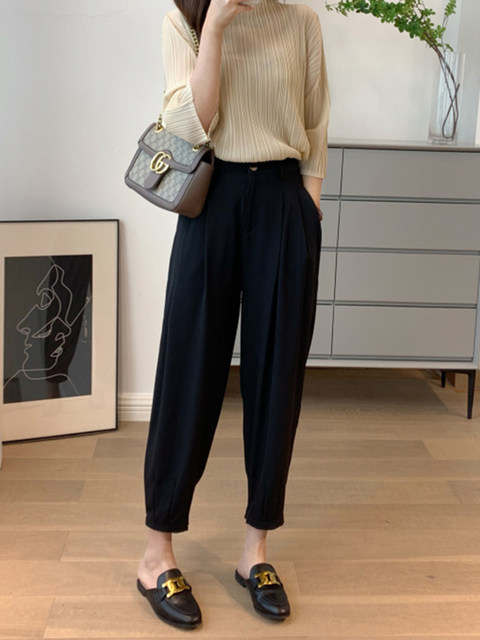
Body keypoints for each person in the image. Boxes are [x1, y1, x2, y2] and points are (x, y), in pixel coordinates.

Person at [136, 0, 330, 630]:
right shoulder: (187, 16)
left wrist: (309, 205)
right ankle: (156, 553)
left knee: (277, 379)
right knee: (188, 372)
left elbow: (316, 121)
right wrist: (216, 25)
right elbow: (187, 125)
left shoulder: (301, 20)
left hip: (283, 203)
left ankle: (256, 550)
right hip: (211, 199)